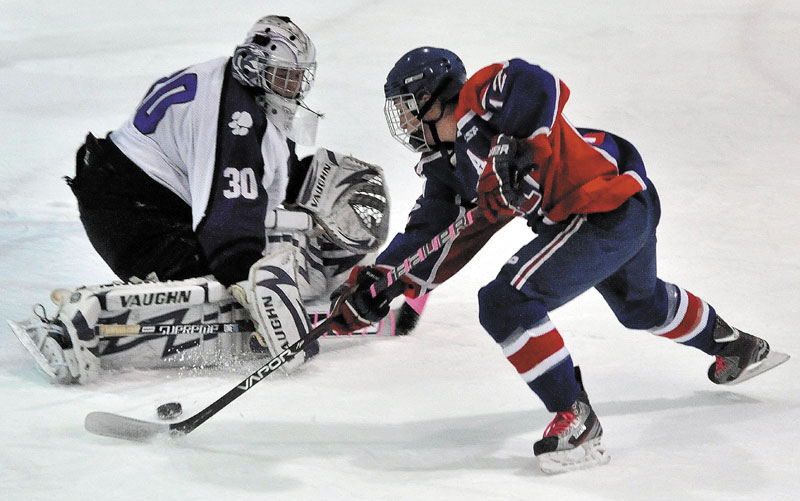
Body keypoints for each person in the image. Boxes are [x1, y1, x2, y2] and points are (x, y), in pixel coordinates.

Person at [328, 47, 788, 473]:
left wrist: (518, 145)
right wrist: (379, 284)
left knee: (506, 302)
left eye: (409, 106)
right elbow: (432, 236)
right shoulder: (449, 169)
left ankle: (575, 419)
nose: (406, 121)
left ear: (433, 98)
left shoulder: (476, 101)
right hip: (619, 207)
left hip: (606, 204)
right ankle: (736, 347)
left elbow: (534, 81)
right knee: (639, 306)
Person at [9, 16, 413, 384]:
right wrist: (257, 287)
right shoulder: (235, 115)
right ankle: (81, 326)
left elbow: (267, 181)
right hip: (129, 210)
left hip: (136, 193)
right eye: (285, 77)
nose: (294, 88)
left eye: (297, 78)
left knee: (252, 259)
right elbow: (227, 227)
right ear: (257, 67)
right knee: (221, 281)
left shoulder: (241, 92)